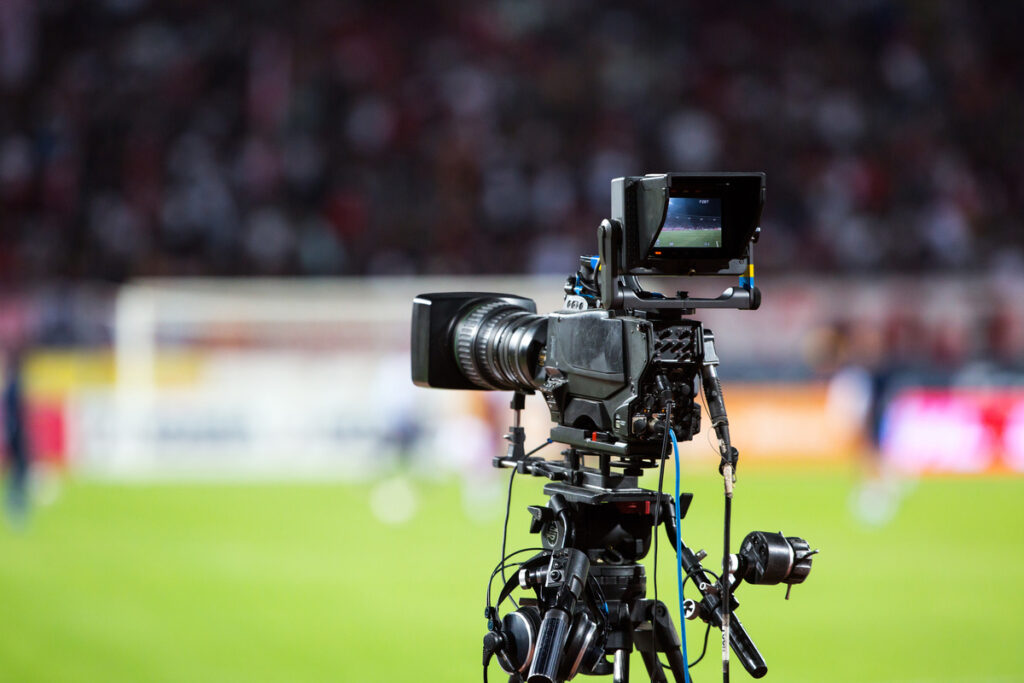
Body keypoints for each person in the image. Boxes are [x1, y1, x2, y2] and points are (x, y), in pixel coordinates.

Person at [3, 348, 31, 527]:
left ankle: (16, 505)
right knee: (18, 472)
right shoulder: (14, 385)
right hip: (16, 435)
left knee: (18, 472)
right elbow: (14, 413)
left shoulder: (12, 385)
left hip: (16, 434)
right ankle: (15, 506)